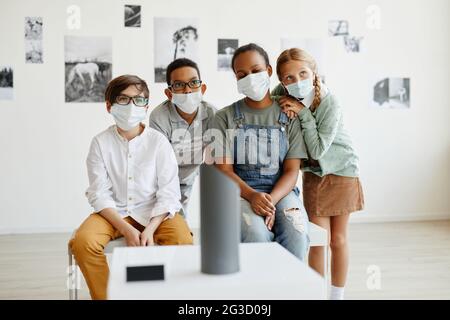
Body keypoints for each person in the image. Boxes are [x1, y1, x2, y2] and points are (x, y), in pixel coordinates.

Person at [69, 75, 193, 300]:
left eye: (139, 100)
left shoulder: (158, 141)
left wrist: (150, 228)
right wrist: (126, 229)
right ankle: (108, 296)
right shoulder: (100, 142)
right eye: (124, 100)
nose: (132, 106)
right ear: (109, 106)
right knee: (83, 242)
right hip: (112, 214)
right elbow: (99, 193)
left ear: (146, 106)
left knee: (183, 239)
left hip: (156, 213)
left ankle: (167, 295)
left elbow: (169, 191)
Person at [274, 48, 365, 299]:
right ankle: (316, 295)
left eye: (303, 73)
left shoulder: (329, 102)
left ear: (313, 72)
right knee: (318, 239)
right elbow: (270, 111)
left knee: (337, 239)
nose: (297, 81)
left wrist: (302, 113)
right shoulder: (281, 94)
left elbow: (317, 148)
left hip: (342, 170)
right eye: (289, 77)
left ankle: (336, 296)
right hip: (315, 173)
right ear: (281, 81)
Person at [212, 43, 310, 261]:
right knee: (255, 233)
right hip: (241, 193)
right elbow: (223, 170)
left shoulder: (289, 113)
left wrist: (270, 201)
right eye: (242, 74)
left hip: (281, 192)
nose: (250, 77)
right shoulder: (223, 118)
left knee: (297, 232)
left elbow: (292, 170)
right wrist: (252, 196)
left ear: (268, 71)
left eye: (256, 71)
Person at [149, 58, 216, 216]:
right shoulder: (159, 117)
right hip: (163, 178)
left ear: (202, 88)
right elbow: (161, 163)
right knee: (169, 218)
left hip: (191, 172)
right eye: (179, 85)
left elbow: (219, 158)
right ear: (169, 93)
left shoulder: (213, 114)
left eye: (193, 83)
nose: (187, 90)